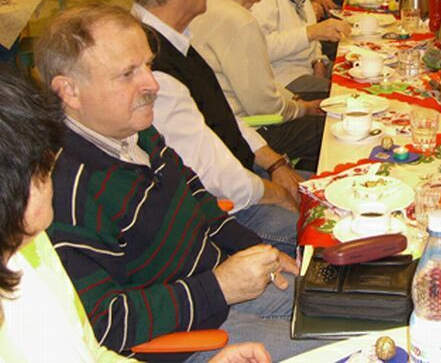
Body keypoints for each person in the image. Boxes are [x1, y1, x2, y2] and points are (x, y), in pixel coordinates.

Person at [34, 4, 322, 360]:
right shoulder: (63, 192)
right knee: (350, 349)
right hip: (185, 336)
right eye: (128, 73)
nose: (152, 84)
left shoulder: (135, 131)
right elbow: (104, 324)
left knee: (358, 313)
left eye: (148, 65)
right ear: (70, 91)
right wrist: (219, 287)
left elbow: (195, 194)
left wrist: (252, 248)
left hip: (217, 288)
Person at [0, 73, 272, 363]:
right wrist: (218, 287)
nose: (54, 175)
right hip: (192, 321)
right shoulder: (67, 199)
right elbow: (109, 324)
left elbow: (94, 354)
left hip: (210, 293)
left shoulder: (31, 246)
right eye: (44, 168)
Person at [127, 0, 302, 254]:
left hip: (241, 177)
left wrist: (275, 163)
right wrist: (278, 193)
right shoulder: (151, 67)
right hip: (220, 210)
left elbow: (221, 114)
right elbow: (214, 175)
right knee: (326, 232)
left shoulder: (173, 38)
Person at [190, 0, 324, 172]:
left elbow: (260, 84)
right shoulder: (239, 21)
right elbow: (265, 105)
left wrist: (295, 100)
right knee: (330, 129)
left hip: (226, 120)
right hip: (250, 129)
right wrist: (302, 108)